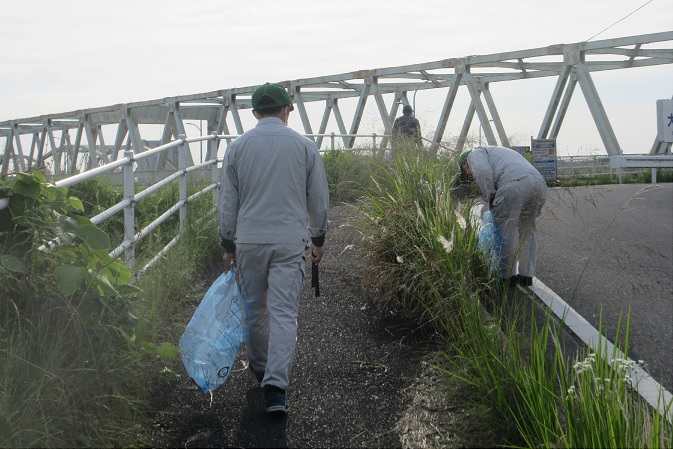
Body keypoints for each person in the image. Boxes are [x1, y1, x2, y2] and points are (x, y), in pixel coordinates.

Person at [218, 82, 330, 415]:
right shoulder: (304, 146)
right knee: (284, 314)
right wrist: (318, 238)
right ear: (286, 110)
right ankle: (276, 389)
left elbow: (228, 202)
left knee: (255, 308)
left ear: (255, 112)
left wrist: (228, 243)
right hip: (289, 241)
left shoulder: (237, 148)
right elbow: (319, 200)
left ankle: (260, 369)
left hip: (248, 240)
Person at [458, 146, 548, 287]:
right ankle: (526, 276)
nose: (470, 176)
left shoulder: (474, 154)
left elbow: (482, 171)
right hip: (539, 183)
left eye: (467, 173)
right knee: (527, 229)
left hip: (514, 184)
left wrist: (490, 195)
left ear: (465, 164)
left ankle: (506, 277)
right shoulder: (499, 152)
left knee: (506, 230)